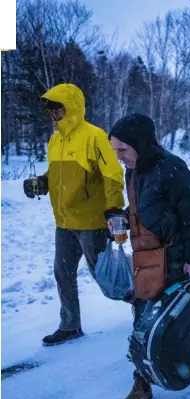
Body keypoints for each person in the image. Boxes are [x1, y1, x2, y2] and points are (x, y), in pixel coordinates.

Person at [108, 113, 190, 399]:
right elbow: (142, 206)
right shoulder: (133, 171)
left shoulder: (171, 168)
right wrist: (123, 218)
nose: (118, 157)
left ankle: (142, 384)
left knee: (152, 321)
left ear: (139, 144)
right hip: (145, 258)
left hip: (172, 260)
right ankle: (169, 364)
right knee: (147, 317)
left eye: (122, 150)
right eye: (115, 151)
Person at [23, 84, 125, 346]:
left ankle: (143, 303)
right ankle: (70, 326)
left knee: (105, 277)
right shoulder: (55, 140)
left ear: (72, 107)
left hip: (92, 222)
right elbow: (58, 175)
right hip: (64, 222)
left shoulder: (95, 136)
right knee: (62, 273)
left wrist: (114, 209)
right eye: (51, 108)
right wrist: (42, 183)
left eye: (58, 107)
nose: (54, 113)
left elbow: (113, 174)